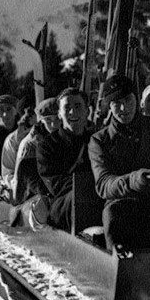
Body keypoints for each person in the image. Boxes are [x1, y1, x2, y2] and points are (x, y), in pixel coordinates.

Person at [89, 74, 150, 251]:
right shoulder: (100, 141)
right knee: (112, 215)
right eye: (116, 103)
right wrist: (135, 180)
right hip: (124, 206)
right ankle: (121, 269)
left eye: (128, 100)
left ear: (136, 98)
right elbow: (104, 184)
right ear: (109, 106)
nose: (123, 107)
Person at [36, 88, 94, 231]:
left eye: (77, 106)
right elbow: (55, 184)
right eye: (67, 108)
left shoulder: (97, 140)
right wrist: (88, 184)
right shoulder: (47, 146)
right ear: (60, 114)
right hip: (65, 205)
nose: (72, 112)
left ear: (87, 111)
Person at [0, 106, 35, 189]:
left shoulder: (48, 131)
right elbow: (8, 174)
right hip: (26, 190)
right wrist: (18, 185)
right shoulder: (11, 141)